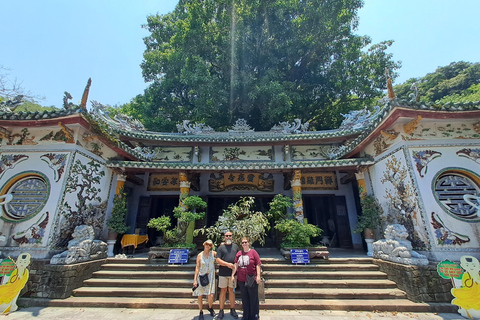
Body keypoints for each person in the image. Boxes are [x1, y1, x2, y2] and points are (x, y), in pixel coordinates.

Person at [232, 237, 261, 320]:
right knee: (244, 298)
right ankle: (246, 316)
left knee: (253, 297)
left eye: (246, 242)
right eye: (243, 243)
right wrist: (233, 275)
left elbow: (258, 264)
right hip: (241, 279)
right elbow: (236, 264)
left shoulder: (253, 252)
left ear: (249, 243)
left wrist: (258, 276)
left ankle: (254, 315)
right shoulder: (239, 253)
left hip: (251, 278)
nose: (244, 244)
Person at [216, 231, 239, 319]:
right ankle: (221, 310)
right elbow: (217, 260)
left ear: (232, 237)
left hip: (233, 274)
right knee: (222, 291)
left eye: (230, 235)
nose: (228, 237)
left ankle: (232, 309)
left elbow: (238, 258)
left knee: (232, 291)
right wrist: (227, 264)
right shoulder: (221, 248)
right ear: (224, 237)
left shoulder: (235, 247)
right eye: (226, 236)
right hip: (223, 274)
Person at [193, 239, 216, 320]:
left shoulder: (213, 254)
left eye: (210, 245)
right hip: (201, 276)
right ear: (204, 245)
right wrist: (195, 279)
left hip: (210, 277)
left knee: (211, 295)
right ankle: (201, 311)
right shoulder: (199, 255)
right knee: (200, 295)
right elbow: (197, 267)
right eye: (207, 244)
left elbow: (220, 256)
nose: (208, 246)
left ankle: (210, 307)